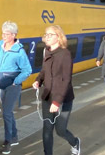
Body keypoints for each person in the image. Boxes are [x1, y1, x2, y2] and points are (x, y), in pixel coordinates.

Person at [32, 25, 81, 155]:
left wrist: (57, 101)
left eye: (50, 34)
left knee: (60, 130)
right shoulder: (46, 51)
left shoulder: (65, 54)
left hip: (63, 99)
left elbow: (66, 79)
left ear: (58, 37)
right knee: (47, 129)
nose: (46, 37)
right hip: (48, 96)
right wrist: (38, 80)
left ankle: (75, 142)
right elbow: (44, 70)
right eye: (46, 34)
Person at [0, 21, 32, 154]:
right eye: (3, 33)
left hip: (12, 85)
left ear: (14, 35)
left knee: (6, 113)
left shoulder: (19, 52)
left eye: (7, 34)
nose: (4, 36)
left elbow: (27, 70)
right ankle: (14, 136)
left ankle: (8, 141)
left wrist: (16, 81)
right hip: (0, 83)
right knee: (8, 112)